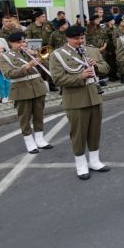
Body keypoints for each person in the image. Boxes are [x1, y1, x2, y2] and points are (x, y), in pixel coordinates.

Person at [49, 25, 110, 180]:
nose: (80, 41)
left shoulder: (92, 50)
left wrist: (96, 66)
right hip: (75, 99)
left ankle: (94, 161)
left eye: (82, 38)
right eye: (76, 39)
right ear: (67, 39)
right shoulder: (58, 55)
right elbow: (57, 79)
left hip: (94, 96)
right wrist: (80, 76)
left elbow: (106, 67)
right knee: (79, 133)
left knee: (95, 131)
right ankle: (81, 164)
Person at [0, 32, 53, 153]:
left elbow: (48, 61)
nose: (22, 44)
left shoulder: (30, 53)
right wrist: (27, 66)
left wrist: (39, 57)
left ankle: (40, 140)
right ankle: (29, 142)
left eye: (23, 42)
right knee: (25, 117)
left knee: (39, 115)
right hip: (21, 90)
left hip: (38, 88)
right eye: (18, 42)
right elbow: (9, 74)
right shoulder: (5, 56)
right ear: (10, 43)